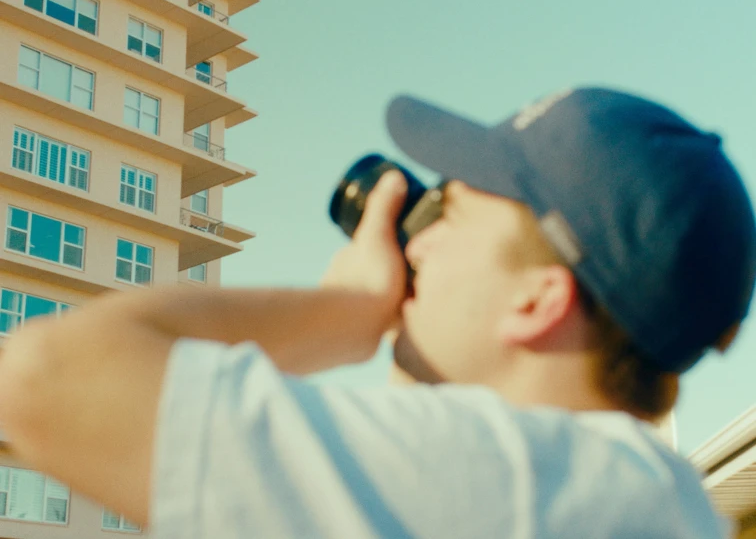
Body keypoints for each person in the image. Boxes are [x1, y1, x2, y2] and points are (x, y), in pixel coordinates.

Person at [0, 87, 753, 539]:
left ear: (538, 300)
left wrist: (348, 308)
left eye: (443, 211)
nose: (411, 248)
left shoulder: (545, 482)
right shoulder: (634, 496)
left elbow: (41, 378)